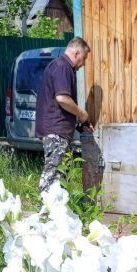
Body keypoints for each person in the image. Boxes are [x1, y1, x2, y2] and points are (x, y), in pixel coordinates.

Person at [35, 37, 93, 193]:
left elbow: (59, 106)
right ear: (76, 52)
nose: (84, 63)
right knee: (53, 176)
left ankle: (57, 212)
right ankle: (46, 214)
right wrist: (81, 113)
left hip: (57, 129)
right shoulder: (63, 67)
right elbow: (62, 99)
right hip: (56, 131)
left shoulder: (58, 66)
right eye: (84, 58)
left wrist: (81, 126)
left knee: (60, 176)